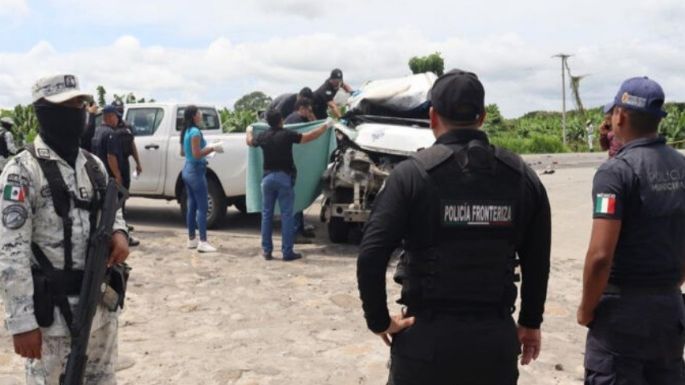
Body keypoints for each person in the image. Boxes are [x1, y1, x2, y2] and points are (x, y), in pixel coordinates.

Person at [357, 69, 551, 384]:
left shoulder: (410, 176)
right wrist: (530, 321)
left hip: (426, 344)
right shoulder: (522, 177)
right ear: (483, 116)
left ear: (433, 117)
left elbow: (371, 255)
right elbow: (538, 259)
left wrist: (379, 320)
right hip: (494, 345)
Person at [0, 74, 130, 384]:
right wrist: (21, 323)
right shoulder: (21, 171)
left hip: (99, 308)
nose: (78, 111)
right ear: (43, 111)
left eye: (81, 104)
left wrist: (119, 233)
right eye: (67, 105)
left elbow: (112, 211)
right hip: (50, 322)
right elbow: (10, 253)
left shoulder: (93, 165)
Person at [577, 77, 685, 384]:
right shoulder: (681, 166)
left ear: (620, 116)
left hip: (622, 318)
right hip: (669, 310)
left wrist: (586, 310)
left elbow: (600, 256)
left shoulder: (616, 172)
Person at [246, 109, 333, 261]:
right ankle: (287, 252)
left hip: (267, 179)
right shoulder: (286, 134)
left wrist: (248, 130)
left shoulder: (263, 136)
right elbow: (308, 137)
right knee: (287, 216)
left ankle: (267, 251)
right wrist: (325, 126)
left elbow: (249, 142)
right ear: (281, 120)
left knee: (266, 215)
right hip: (283, 178)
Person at [180, 105, 224, 253]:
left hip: (187, 170)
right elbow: (198, 153)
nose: (201, 115)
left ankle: (191, 239)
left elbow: (183, 152)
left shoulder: (186, 131)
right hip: (196, 172)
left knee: (192, 206)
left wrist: (205, 149)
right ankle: (203, 241)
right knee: (203, 207)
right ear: (194, 116)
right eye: (199, 113)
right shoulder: (195, 132)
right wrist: (213, 148)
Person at [112, 101, 142, 246]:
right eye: (117, 109)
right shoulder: (107, 127)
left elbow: (132, 145)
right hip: (112, 166)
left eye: (121, 109)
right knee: (113, 199)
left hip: (124, 164)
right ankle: (118, 229)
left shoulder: (127, 127)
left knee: (124, 195)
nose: (120, 112)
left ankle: (122, 224)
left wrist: (138, 162)